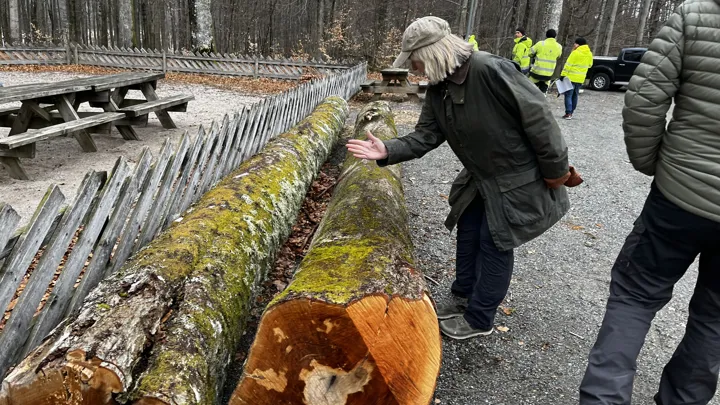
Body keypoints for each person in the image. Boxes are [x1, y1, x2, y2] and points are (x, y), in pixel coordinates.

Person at [346, 16, 580, 340]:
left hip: (515, 179)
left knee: (494, 242)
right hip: (480, 178)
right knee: (468, 231)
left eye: (415, 60)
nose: (414, 68)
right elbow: (427, 134)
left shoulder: (489, 70)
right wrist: (388, 149)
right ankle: (462, 297)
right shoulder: (438, 87)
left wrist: (555, 172)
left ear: (432, 53)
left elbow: (540, 119)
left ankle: (480, 318)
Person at [580, 0, 720, 404]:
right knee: (714, 319)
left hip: (679, 198)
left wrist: (650, 161)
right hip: (682, 192)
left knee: (634, 297)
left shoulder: (695, 16)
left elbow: (644, 96)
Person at [560, 37, 593, 120]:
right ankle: (572, 112)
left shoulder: (575, 53)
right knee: (575, 95)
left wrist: (563, 74)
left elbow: (568, 65)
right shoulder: (589, 53)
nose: (574, 45)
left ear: (578, 44)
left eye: (575, 43)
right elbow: (590, 65)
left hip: (571, 77)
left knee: (568, 95)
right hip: (581, 78)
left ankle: (568, 113)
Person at [529, 29, 562, 94]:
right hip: (548, 74)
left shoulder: (540, 44)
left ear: (546, 35)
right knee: (543, 92)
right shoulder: (559, 46)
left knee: (530, 91)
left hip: (536, 72)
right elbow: (558, 56)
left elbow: (530, 53)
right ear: (555, 36)